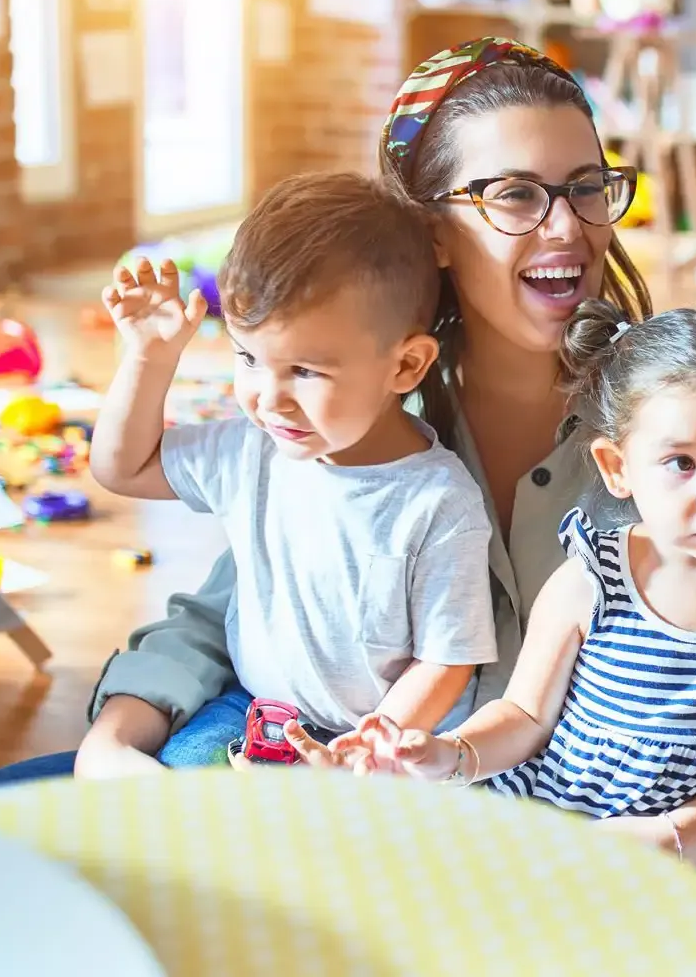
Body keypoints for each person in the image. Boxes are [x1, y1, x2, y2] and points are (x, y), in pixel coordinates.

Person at [0, 37, 696, 870]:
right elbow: (228, 614)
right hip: (344, 805)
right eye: (514, 196)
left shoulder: (687, 427)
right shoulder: (349, 412)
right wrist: (116, 735)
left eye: (585, 188)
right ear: (428, 232)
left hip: (569, 849)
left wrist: (682, 835)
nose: (567, 228)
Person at [317, 273, 696, 968]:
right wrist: (452, 753)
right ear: (617, 468)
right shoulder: (593, 576)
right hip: (561, 809)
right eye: (680, 463)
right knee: (427, 897)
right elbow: (524, 715)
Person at [89, 173, 499, 763]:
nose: (268, 397)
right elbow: (121, 469)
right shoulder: (253, 451)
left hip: (388, 740)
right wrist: (150, 357)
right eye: (249, 358)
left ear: (406, 366)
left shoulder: (437, 501)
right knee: (180, 790)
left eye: (304, 372)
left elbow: (448, 658)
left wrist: (372, 745)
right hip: (259, 715)